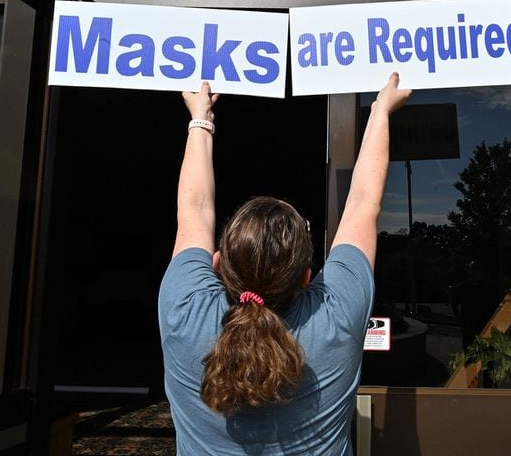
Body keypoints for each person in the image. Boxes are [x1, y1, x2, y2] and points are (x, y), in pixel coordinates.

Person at [158, 73, 412, 455]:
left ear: (216, 263)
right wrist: (380, 111)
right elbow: (362, 204)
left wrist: (201, 117)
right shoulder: (335, 318)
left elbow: (193, 208)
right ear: (307, 276)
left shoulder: (184, 310)